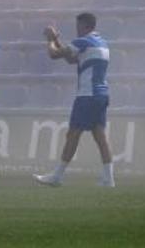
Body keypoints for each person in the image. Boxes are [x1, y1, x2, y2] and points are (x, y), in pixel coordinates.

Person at [35, 13, 115, 188]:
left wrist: (50, 39)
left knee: (73, 134)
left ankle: (57, 176)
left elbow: (54, 55)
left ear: (85, 26)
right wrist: (56, 40)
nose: (76, 30)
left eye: (78, 26)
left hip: (87, 95)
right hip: (101, 95)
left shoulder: (83, 41)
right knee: (100, 136)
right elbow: (71, 58)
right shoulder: (101, 42)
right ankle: (109, 178)